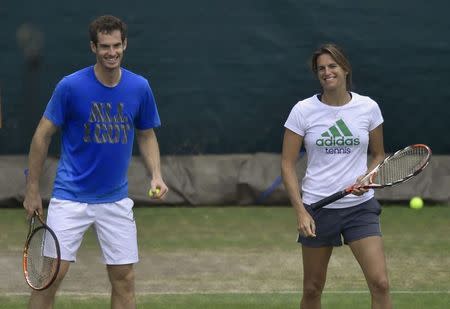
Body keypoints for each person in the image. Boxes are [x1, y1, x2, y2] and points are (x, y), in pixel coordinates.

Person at [23, 15, 168, 309]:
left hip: (115, 200)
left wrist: (156, 175)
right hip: (69, 197)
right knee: (50, 278)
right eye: (104, 46)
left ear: (124, 45)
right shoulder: (70, 86)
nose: (111, 52)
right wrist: (32, 189)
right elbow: (42, 136)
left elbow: (147, 134)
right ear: (93, 47)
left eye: (116, 45)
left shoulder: (140, 87)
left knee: (124, 279)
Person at [281, 43, 392, 309]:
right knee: (312, 289)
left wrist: (368, 176)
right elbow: (286, 164)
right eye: (321, 68)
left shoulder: (368, 108)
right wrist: (301, 212)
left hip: (360, 208)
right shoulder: (302, 110)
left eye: (332, 66)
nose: (327, 72)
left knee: (381, 284)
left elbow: (379, 154)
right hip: (318, 210)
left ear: (345, 69)